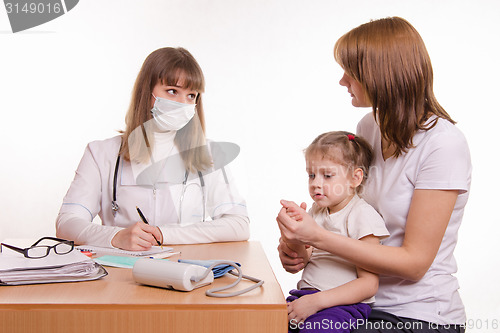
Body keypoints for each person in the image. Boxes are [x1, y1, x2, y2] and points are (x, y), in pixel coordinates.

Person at [277, 17, 470, 333]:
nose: (342, 81)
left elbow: (414, 263)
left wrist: (318, 236)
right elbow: (350, 216)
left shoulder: (443, 144)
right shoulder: (369, 127)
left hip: (417, 315)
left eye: (349, 72)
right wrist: (299, 248)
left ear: (381, 76)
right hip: (360, 302)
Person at [56, 47, 249, 251]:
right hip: (118, 273)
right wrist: (115, 236)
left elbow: (239, 225)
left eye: (191, 96)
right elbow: (67, 223)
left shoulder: (210, 154)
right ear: (147, 92)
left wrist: (164, 234)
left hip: (184, 270)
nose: (183, 104)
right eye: (172, 91)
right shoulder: (101, 153)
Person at [283, 131, 389, 332]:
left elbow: (368, 285)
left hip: (343, 306)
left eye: (327, 175)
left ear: (355, 178)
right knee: (261, 321)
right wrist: (291, 235)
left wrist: (316, 302)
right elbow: (303, 260)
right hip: (305, 296)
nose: (315, 183)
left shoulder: (362, 215)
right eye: (311, 175)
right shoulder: (317, 212)